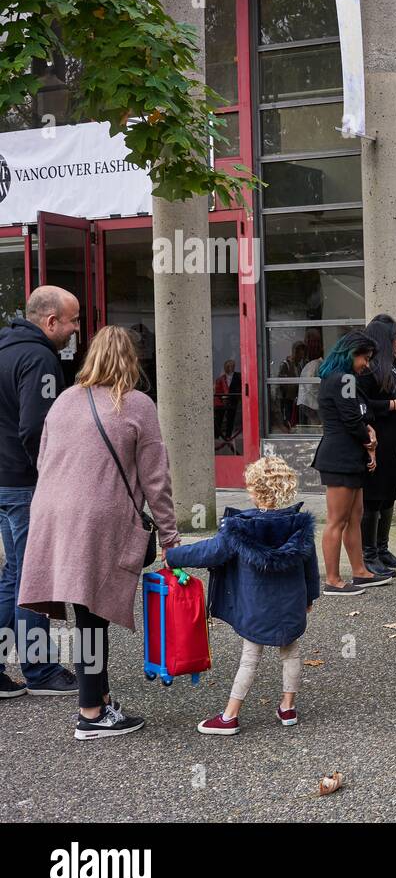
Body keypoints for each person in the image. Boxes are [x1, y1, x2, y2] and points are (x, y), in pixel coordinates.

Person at [19, 325, 182, 739]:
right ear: (132, 360)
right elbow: (155, 479)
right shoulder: (136, 404)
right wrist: (170, 537)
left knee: (85, 612)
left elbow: (44, 458)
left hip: (52, 514)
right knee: (92, 616)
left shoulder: (63, 402)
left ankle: (101, 698)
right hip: (98, 518)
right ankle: (91, 713)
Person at [164, 455, 320, 735]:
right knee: (291, 652)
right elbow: (310, 568)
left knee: (250, 657)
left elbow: (209, 552)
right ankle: (288, 708)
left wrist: (173, 556)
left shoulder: (241, 529)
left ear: (253, 490)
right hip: (290, 607)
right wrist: (308, 598)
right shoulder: (300, 527)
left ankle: (230, 716)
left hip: (255, 608)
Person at [0, 287, 81, 699]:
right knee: (34, 580)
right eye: (72, 320)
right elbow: (37, 427)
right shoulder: (40, 358)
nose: (75, 329)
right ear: (51, 321)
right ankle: (40, 670)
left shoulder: (4, 347)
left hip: (3, 480)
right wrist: (50, 473)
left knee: (13, 574)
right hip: (24, 484)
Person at [311, 331, 390, 595]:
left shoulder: (344, 379)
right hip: (340, 457)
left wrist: (369, 432)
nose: (366, 364)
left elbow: (360, 414)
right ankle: (332, 580)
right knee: (337, 520)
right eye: (363, 358)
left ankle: (360, 572)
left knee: (354, 517)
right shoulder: (344, 378)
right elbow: (351, 418)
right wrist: (368, 440)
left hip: (350, 456)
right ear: (350, 354)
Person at [359, 314, 396, 578]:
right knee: (373, 497)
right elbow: (362, 404)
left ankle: (382, 548)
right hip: (377, 437)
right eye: (395, 336)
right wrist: (391, 405)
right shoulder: (366, 367)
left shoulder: (393, 363)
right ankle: (368, 553)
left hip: (395, 438)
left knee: (389, 494)